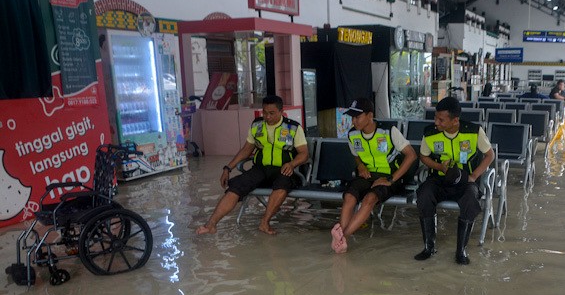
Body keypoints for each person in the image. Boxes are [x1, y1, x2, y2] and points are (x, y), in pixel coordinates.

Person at [196, 95, 309, 235]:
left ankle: (264, 223)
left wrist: (292, 164)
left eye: (272, 113)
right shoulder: (257, 126)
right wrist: (228, 168)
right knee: (235, 186)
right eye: (265, 112)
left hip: (283, 170)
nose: (267, 117)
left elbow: (304, 154)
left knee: (282, 185)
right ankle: (211, 224)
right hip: (260, 169)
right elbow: (246, 150)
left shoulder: (293, 128)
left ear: (281, 111)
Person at [330, 98, 418, 253]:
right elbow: (356, 154)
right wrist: (360, 165)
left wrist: (391, 179)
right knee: (349, 197)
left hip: (390, 177)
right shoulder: (353, 135)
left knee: (369, 199)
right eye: (352, 117)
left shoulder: (389, 131)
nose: (354, 121)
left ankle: (344, 237)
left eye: (357, 117)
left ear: (370, 116)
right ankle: (341, 238)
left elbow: (411, 155)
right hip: (367, 175)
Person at [414, 97, 495, 265]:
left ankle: (461, 250)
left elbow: (490, 155)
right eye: (435, 117)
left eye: (441, 119)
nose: (436, 122)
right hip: (439, 178)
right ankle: (429, 247)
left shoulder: (473, 131)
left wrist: (473, 177)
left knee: (471, 200)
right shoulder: (430, 133)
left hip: (465, 180)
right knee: (424, 194)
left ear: (455, 120)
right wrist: (439, 166)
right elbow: (423, 156)